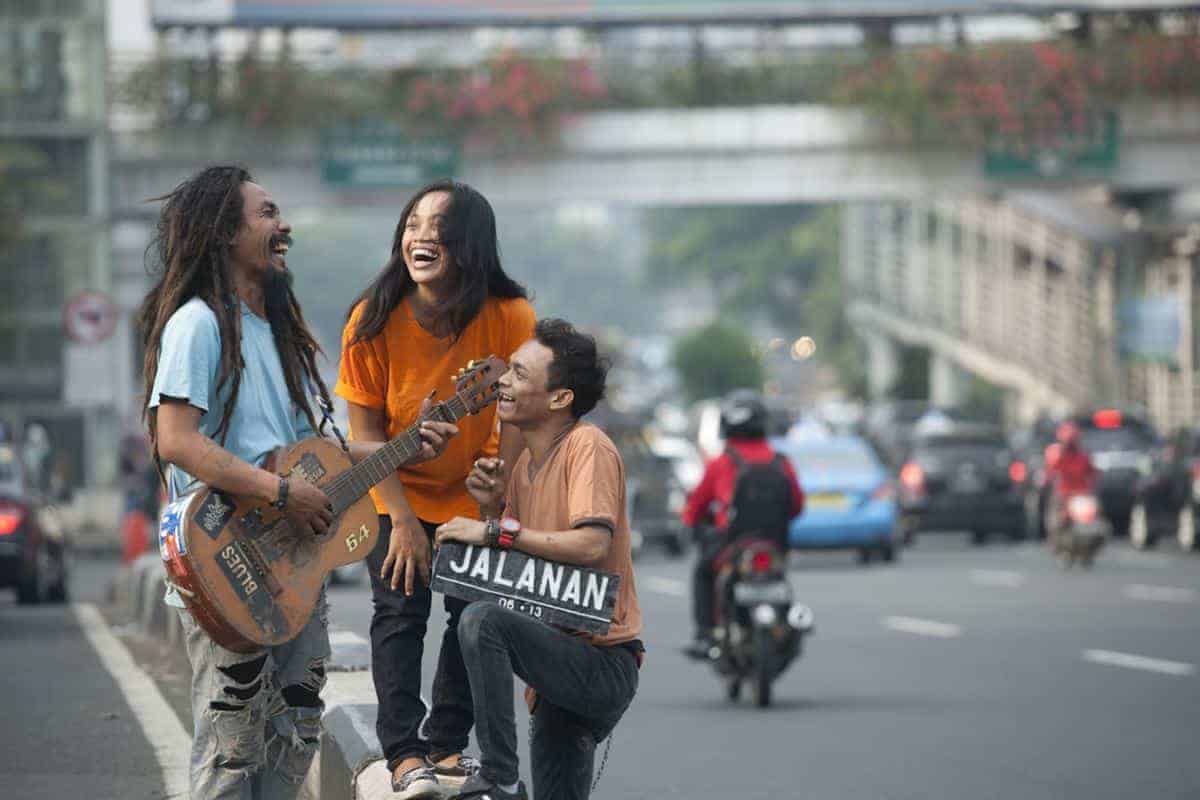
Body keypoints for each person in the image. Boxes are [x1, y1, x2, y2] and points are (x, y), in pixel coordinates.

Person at [139, 165, 455, 800]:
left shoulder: (278, 333)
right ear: (224, 233)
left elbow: (315, 453)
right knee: (231, 754)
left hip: (294, 573)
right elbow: (176, 439)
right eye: (266, 214)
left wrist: (406, 445)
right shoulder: (198, 324)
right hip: (226, 561)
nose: (283, 226)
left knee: (296, 739)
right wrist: (280, 494)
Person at [335, 180, 536, 798]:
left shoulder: (510, 316)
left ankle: (447, 744)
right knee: (399, 611)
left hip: (473, 495)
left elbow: (518, 414)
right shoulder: (371, 319)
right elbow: (365, 436)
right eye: (412, 224)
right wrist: (400, 522)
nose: (421, 237)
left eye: (439, 227)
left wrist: (497, 483)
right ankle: (403, 754)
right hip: (392, 486)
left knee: (473, 614)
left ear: (470, 244)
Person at [435, 318, 643, 800]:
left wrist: (492, 529)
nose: (503, 383)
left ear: (559, 398)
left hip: (601, 662)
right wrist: (492, 507)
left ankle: (500, 775)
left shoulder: (587, 446)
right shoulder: (524, 467)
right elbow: (517, 567)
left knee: (481, 620)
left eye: (519, 374)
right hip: (554, 671)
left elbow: (591, 544)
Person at [680, 389, 805, 658]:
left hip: (731, 546)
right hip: (774, 545)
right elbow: (796, 506)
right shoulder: (781, 462)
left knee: (703, 572)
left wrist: (694, 523)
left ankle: (705, 635)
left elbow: (694, 509)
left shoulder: (722, 462)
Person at [1044, 421, 1097, 545]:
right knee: (1056, 517)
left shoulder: (1083, 456)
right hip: (1064, 495)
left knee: (1095, 512)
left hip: (1082, 494)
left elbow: (1093, 473)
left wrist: (1092, 489)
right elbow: (1051, 472)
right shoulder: (1057, 455)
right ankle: (1057, 538)